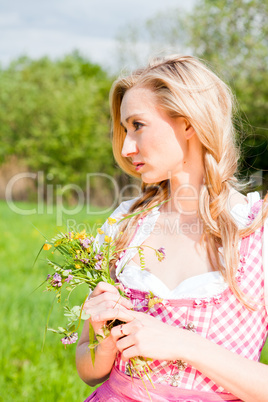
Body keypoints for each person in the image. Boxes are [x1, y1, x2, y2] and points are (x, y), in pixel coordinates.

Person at [76, 55, 268, 402]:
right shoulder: (124, 225)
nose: (125, 147)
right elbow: (89, 372)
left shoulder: (258, 232)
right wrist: (103, 335)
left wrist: (182, 344)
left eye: (138, 125)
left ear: (189, 123)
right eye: (124, 129)